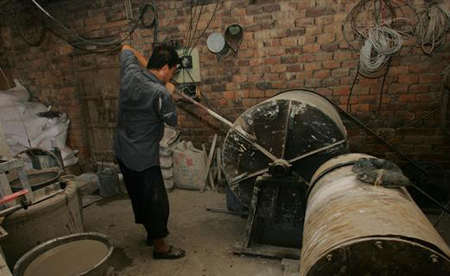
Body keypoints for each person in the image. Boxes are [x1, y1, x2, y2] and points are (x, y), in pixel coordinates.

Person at [114, 44, 185, 259]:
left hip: (122, 149)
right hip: (143, 156)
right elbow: (172, 121)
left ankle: (150, 234)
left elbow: (126, 47)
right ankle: (160, 247)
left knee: (138, 195)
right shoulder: (160, 93)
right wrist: (170, 92)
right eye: (173, 70)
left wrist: (155, 73)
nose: (173, 75)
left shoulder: (131, 73)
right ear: (166, 67)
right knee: (156, 201)